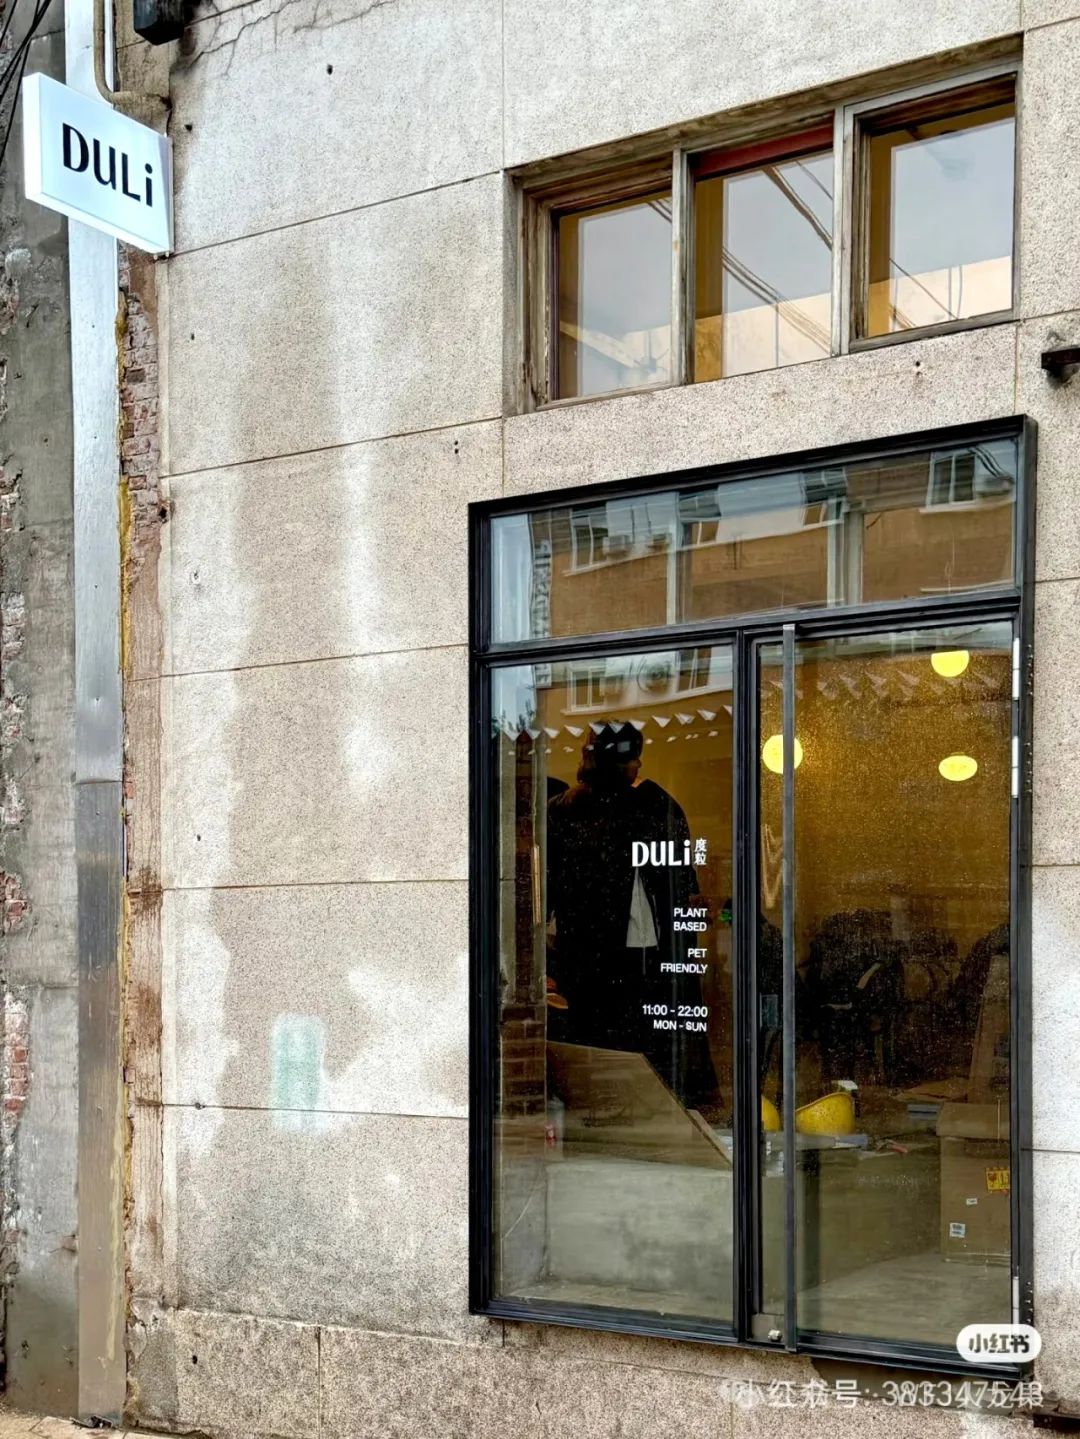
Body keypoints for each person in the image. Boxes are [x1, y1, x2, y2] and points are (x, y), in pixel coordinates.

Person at [545, 722, 720, 1111]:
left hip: (588, 951)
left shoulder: (562, 811)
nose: (638, 765)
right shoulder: (652, 805)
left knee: (601, 1037)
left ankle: (607, 1104)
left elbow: (548, 893)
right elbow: (681, 885)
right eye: (631, 758)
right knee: (635, 1034)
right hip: (637, 950)